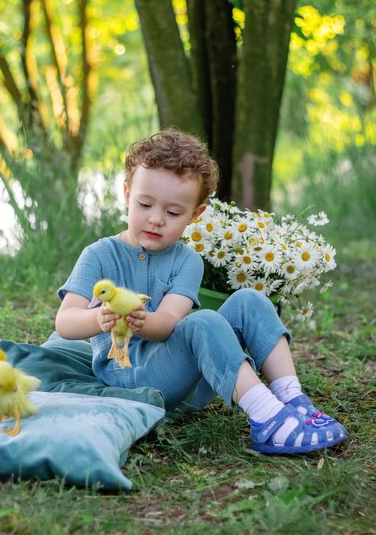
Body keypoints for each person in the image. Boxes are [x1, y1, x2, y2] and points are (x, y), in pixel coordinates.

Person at [55, 128, 347, 455]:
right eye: (145, 204)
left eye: (173, 212)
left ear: (196, 214)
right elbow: (65, 323)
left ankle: (293, 399)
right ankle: (269, 420)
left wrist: (141, 320)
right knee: (203, 321)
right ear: (126, 193)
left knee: (250, 299)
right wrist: (100, 317)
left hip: (187, 376)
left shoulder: (188, 261)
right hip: (131, 378)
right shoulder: (98, 255)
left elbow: (166, 324)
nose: (155, 220)